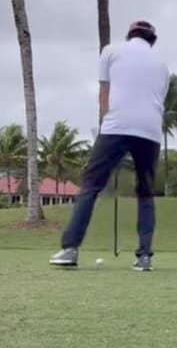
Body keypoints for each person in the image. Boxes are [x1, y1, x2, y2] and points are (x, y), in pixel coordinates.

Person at [51, 20, 169, 272]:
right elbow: (158, 101)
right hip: (150, 131)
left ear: (130, 36)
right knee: (146, 193)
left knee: (90, 186)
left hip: (116, 126)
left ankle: (70, 249)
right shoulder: (162, 65)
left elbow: (105, 94)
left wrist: (107, 123)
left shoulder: (110, 51)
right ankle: (145, 257)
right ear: (152, 40)